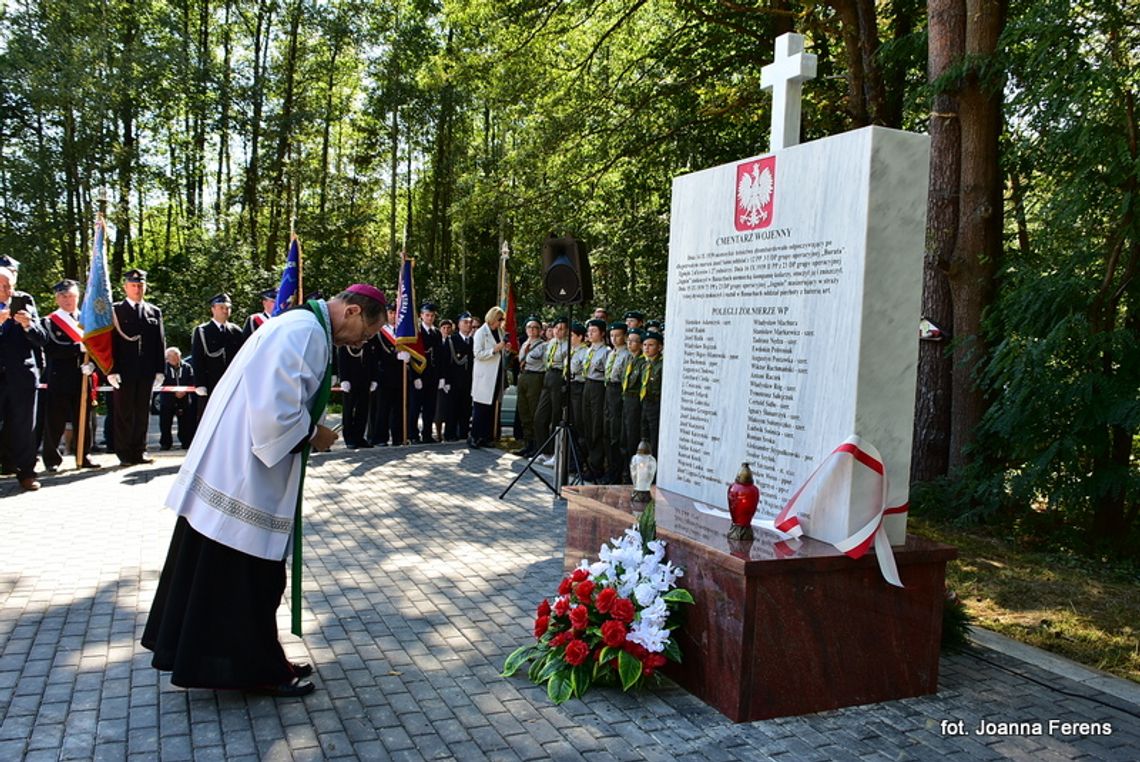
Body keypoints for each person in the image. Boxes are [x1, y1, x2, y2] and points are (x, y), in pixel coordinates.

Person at [142, 284, 385, 697]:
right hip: (245, 476)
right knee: (252, 577)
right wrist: (316, 435)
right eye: (367, 332)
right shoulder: (305, 331)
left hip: (236, 467)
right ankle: (255, 669)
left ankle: (255, 658)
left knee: (235, 573)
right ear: (352, 311)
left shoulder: (300, 325)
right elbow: (276, 414)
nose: (363, 342)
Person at [40, 279, 100, 472]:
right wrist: (77, 348)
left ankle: (84, 455)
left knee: (84, 419)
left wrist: (92, 365)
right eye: (64, 296)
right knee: (55, 421)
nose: (68, 300)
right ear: (57, 298)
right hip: (59, 377)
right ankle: (51, 459)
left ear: (78, 297)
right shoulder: (49, 321)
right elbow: (52, 348)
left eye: (72, 296)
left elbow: (97, 347)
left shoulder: (87, 320)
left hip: (83, 376)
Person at [109, 269, 166, 466]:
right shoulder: (116, 310)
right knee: (124, 413)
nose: (137, 289)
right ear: (125, 287)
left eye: (140, 285)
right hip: (123, 370)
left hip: (146, 370)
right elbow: (110, 342)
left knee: (142, 412)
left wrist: (160, 369)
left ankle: (139, 450)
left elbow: (159, 343)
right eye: (133, 285)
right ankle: (124, 453)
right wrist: (111, 370)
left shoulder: (153, 311)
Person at [0, 264, 47, 490]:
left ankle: (27, 473)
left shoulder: (24, 300)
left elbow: (42, 338)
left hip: (22, 376)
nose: (5, 290)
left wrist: (28, 324)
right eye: (1, 286)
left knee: (25, 427)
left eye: (8, 285)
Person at [191, 293, 245, 411]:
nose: (225, 311)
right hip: (211, 383)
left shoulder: (236, 331)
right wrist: (200, 384)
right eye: (221, 307)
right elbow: (197, 359)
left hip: (232, 383)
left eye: (228, 308)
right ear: (213, 309)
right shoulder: (202, 331)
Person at [337, 322, 382, 449]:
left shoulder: (368, 338)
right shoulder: (346, 336)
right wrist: (343, 378)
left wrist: (374, 378)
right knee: (348, 410)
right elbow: (341, 357)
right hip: (350, 380)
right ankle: (349, 438)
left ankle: (359, 437)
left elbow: (373, 359)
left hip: (365, 378)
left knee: (363, 410)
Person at [469, 306, 507, 448]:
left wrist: (505, 349)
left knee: (491, 407)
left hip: (496, 374)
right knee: (480, 408)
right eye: (499, 319)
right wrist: (494, 350)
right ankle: (474, 436)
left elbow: (502, 349)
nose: (501, 322)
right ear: (493, 318)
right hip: (484, 375)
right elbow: (477, 354)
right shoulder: (480, 333)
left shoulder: (500, 332)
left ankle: (486, 436)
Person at [533, 317, 568, 467]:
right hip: (548, 375)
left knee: (556, 416)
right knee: (540, 417)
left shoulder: (568, 345)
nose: (558, 331)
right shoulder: (551, 343)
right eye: (556, 328)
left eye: (561, 328)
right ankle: (544, 451)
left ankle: (555, 453)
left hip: (559, 376)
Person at [581, 318, 610, 480]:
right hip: (587, 385)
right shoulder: (588, 350)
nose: (590, 334)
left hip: (599, 387)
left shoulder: (606, 351)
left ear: (602, 333)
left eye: (594, 331)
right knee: (587, 423)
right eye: (589, 331)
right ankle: (589, 462)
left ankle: (597, 465)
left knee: (596, 425)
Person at [603, 322, 631, 484]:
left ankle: (617, 472)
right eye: (612, 335)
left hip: (618, 390)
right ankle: (610, 469)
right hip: (608, 389)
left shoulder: (626, 354)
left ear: (625, 337)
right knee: (606, 430)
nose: (614, 338)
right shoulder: (612, 353)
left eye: (618, 335)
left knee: (616, 433)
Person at [513, 317, 546, 457]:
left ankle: (537, 445)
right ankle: (528, 443)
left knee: (534, 411)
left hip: (535, 377)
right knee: (523, 411)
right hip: (524, 376)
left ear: (540, 330)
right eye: (529, 327)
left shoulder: (544, 345)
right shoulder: (525, 343)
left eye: (535, 327)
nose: (531, 330)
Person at [410, 302, 442, 443]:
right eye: (427, 315)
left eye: (432, 315)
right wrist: (415, 376)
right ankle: (413, 434)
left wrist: (441, 376)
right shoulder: (417, 332)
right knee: (415, 407)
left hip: (433, 374)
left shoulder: (436, 332)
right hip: (419, 373)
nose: (429, 318)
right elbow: (412, 355)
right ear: (421, 316)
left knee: (430, 407)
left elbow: (441, 355)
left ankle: (427, 434)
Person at [443, 312, 474, 441]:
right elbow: (445, 361)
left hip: (468, 381)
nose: (468, 325)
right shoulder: (452, 340)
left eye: (470, 322)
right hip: (454, 381)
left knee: (466, 408)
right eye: (465, 322)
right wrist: (445, 380)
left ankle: (463, 433)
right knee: (452, 409)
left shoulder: (472, 340)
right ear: (458, 325)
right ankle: (450, 434)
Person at [620, 328, 647, 481]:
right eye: (628, 340)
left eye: (634, 341)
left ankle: (632, 475)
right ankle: (624, 471)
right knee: (623, 437)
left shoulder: (643, 362)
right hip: (625, 399)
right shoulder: (629, 359)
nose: (630, 344)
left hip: (635, 401)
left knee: (632, 437)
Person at [158, 347, 197, 450]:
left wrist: (184, 391)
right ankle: (165, 443)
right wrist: (173, 393)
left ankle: (186, 443)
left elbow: (192, 380)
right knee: (165, 423)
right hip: (167, 400)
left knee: (185, 423)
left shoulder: (187, 367)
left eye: (177, 355)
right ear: (167, 358)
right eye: (172, 356)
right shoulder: (163, 368)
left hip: (184, 400)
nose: (175, 358)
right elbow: (161, 383)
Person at [640, 330, 664, 456]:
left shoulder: (662, 365)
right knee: (644, 436)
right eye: (644, 345)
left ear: (659, 347)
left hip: (655, 403)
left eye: (651, 345)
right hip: (645, 402)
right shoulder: (645, 364)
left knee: (654, 437)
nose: (646, 348)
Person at [432, 318, 454, 442]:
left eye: (448, 328)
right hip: (440, 379)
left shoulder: (453, 341)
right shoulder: (438, 341)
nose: (446, 330)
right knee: (439, 409)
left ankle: (448, 433)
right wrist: (441, 378)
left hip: (451, 380)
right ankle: (439, 433)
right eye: (443, 328)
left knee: (449, 408)